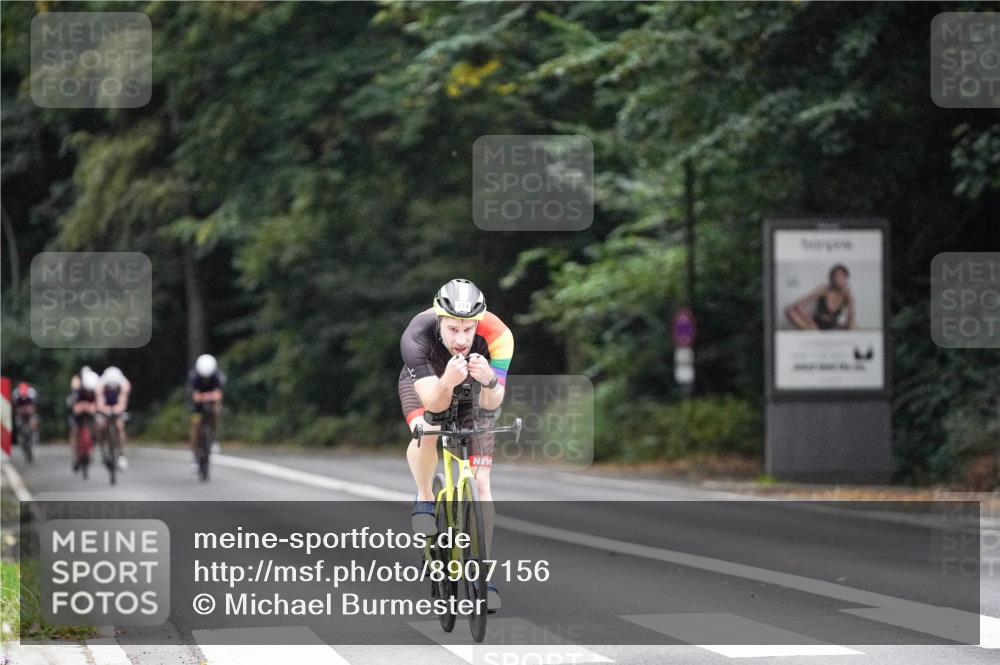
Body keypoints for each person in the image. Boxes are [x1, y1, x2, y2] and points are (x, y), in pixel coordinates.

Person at [399, 278, 513, 611]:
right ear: (439, 321)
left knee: (481, 484)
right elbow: (433, 403)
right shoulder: (416, 336)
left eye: (468, 330)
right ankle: (424, 496)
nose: (462, 339)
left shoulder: (500, 336)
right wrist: (448, 379)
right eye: (452, 330)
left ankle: (484, 575)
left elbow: (493, 403)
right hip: (426, 386)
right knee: (425, 429)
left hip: (473, 396)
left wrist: (489, 379)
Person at [785, 264, 856, 331]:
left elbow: (851, 318)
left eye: (842, 275)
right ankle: (814, 332)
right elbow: (797, 304)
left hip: (832, 326)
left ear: (846, 278)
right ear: (832, 278)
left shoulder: (847, 294)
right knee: (789, 310)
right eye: (836, 275)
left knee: (854, 327)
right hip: (816, 325)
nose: (839, 278)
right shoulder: (824, 290)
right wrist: (810, 321)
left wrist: (850, 299)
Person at [188, 353, 226, 470]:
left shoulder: (217, 376)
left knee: (216, 410)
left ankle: (214, 438)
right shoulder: (193, 376)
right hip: (197, 405)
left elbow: (219, 394)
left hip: (210, 400)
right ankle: (195, 457)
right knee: (195, 426)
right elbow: (194, 396)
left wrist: (207, 397)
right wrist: (207, 396)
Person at [96, 366, 131, 470]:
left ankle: (121, 454)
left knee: (119, 426)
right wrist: (104, 409)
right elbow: (100, 401)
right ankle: (102, 448)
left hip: (116, 403)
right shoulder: (100, 385)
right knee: (102, 426)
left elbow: (123, 402)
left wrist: (117, 409)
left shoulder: (124, 384)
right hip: (106, 403)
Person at [70, 369, 99, 472]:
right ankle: (75, 456)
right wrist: (83, 407)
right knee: (74, 431)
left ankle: (94, 445)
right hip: (79, 416)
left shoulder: (96, 391)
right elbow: (74, 408)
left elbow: (98, 405)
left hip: (91, 416)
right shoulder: (77, 391)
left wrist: (92, 408)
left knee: (97, 427)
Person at [12, 381, 39, 454]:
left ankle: (34, 434)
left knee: (34, 420)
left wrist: (27, 410)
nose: (24, 397)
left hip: (29, 413)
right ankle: (20, 436)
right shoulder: (16, 395)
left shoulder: (32, 394)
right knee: (17, 422)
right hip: (21, 413)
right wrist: (22, 410)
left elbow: (33, 407)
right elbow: (16, 408)